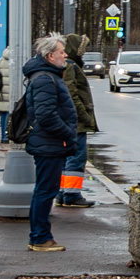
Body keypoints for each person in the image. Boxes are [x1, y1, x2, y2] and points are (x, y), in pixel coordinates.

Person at [25, 34, 78, 252]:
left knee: (45, 190)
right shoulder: (45, 79)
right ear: (50, 56)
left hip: (48, 142)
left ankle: (40, 236)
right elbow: (46, 115)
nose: (65, 55)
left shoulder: (47, 76)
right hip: (49, 143)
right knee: (46, 191)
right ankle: (40, 238)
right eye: (61, 52)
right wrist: (68, 135)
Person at [57, 33, 97, 208]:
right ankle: (72, 195)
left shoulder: (66, 65)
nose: (83, 53)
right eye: (82, 49)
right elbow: (72, 94)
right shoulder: (71, 65)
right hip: (75, 121)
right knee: (77, 156)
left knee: (66, 157)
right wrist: (84, 116)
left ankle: (62, 193)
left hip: (67, 119)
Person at [0, 47, 13, 142]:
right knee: (10, 114)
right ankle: (8, 135)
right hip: (12, 91)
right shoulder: (16, 59)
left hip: (2, 91)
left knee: (3, 114)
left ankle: (3, 136)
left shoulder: (1, 60)